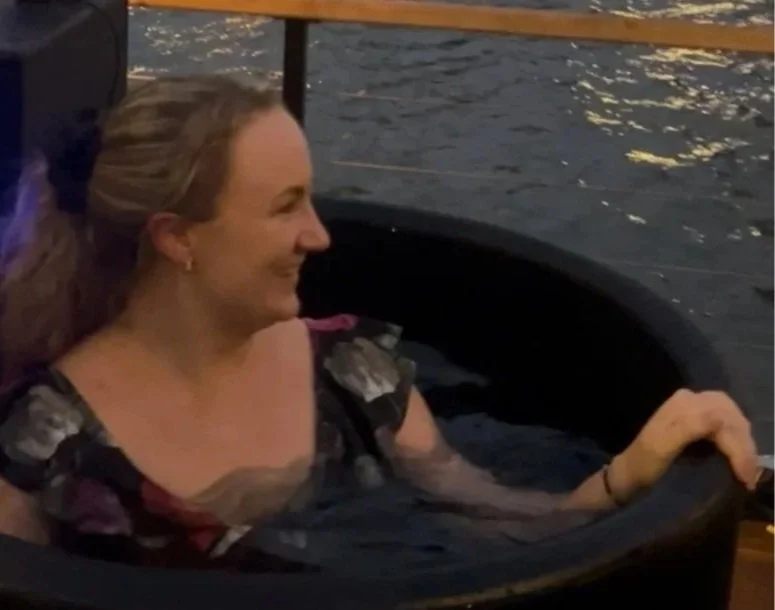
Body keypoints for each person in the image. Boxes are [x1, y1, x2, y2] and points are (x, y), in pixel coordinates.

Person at [0, 75, 758, 569]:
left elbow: (492, 520)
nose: (319, 235)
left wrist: (631, 470)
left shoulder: (351, 371)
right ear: (177, 238)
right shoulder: (41, 440)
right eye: (283, 205)